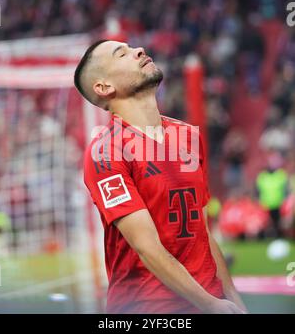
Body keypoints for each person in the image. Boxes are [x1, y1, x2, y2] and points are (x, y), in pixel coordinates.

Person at [74, 39, 247, 314]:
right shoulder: (105, 153)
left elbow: (202, 232)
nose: (139, 51)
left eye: (132, 47)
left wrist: (231, 298)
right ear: (104, 87)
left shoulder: (188, 136)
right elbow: (147, 248)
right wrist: (210, 305)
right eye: (123, 54)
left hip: (209, 303)